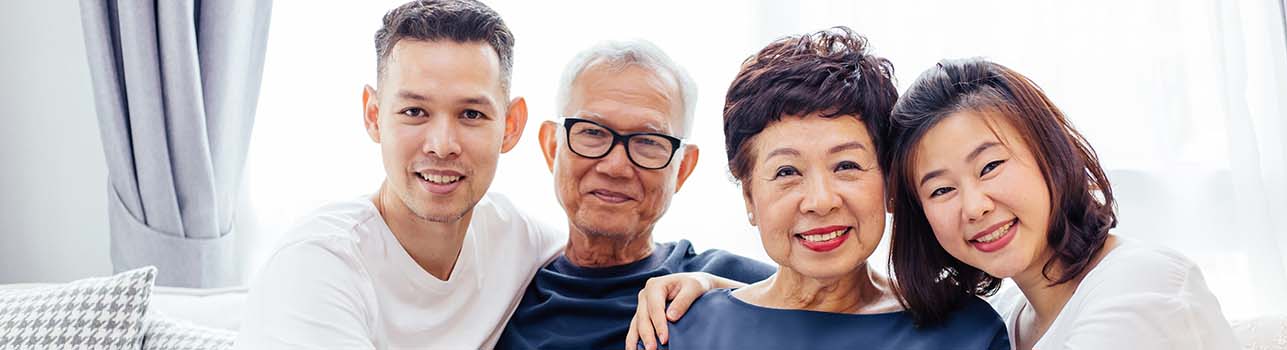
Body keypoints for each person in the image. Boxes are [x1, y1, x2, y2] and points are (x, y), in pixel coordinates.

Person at [638, 27, 1009, 350]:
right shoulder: (676, 330)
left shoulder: (967, 333)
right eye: (787, 171)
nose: (820, 201)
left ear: (890, 183)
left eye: (846, 165)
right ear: (749, 197)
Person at [235, 1, 564, 348]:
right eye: (414, 111)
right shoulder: (317, 265)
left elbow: (603, 255)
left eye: (470, 114)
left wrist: (632, 290)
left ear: (511, 126)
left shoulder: (513, 237)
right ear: (374, 115)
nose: (442, 145)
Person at [884, 57, 1239, 349]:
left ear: (1050, 156)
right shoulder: (1004, 318)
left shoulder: (1143, 283)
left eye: (990, 167)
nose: (975, 207)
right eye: (941, 190)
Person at [494, 39, 776, 350]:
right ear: (551, 146)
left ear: (683, 168)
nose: (616, 167)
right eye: (592, 132)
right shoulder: (501, 294)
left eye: (648, 142)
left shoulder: (725, 283)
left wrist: (720, 290)